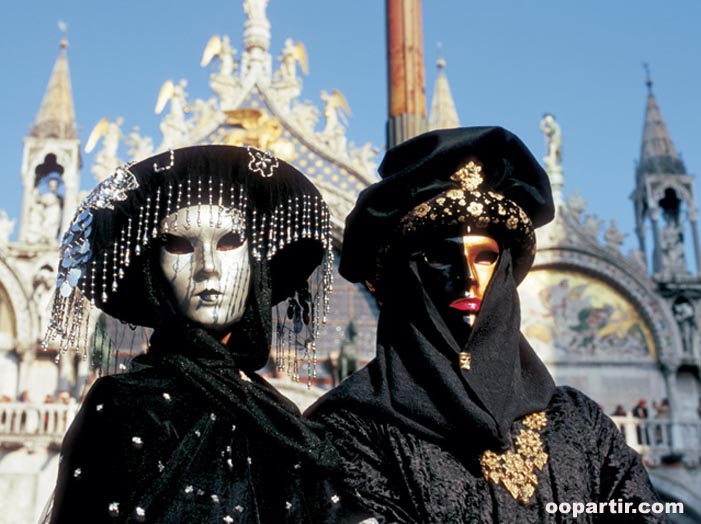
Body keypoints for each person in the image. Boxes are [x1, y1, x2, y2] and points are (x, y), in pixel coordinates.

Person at [307, 127, 664, 523]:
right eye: (441, 257)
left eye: (486, 257)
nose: (467, 277)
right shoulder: (352, 431)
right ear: (407, 276)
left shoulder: (579, 424)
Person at [44, 145, 374, 523]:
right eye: (181, 245)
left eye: (230, 241)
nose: (208, 268)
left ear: (257, 266)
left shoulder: (281, 418)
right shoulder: (124, 406)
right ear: (154, 272)